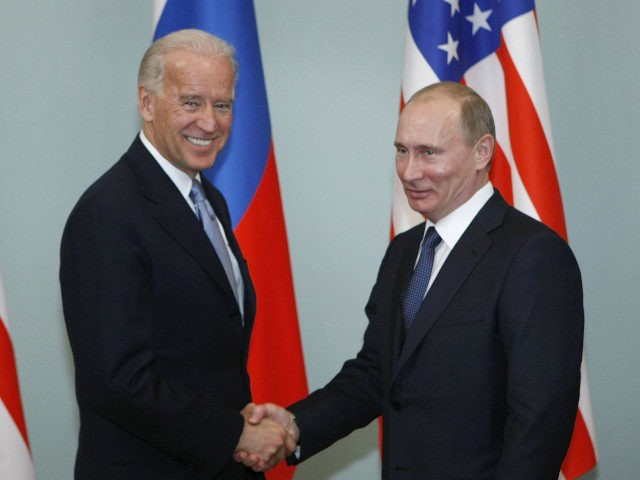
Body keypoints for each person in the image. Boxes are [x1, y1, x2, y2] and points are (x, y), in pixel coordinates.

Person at [243, 82, 584, 479]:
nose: (409, 171)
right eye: (402, 150)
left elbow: (539, 422)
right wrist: (294, 425)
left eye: (429, 153)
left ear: (482, 152)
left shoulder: (532, 255)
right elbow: (378, 372)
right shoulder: (405, 250)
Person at [60, 29, 294, 479]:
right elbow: (116, 381)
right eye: (191, 102)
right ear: (147, 103)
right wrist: (234, 435)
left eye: (222, 104)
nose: (209, 122)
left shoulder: (210, 201)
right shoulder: (107, 213)